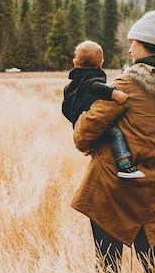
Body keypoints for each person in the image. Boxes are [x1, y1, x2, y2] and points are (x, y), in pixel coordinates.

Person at [70, 10, 155, 273]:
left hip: (114, 186)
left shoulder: (127, 84)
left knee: (107, 263)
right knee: (152, 257)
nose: (129, 48)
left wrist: (83, 132)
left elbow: (85, 131)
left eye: (133, 42)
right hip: (153, 184)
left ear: (145, 44)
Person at [61, 40, 144, 178]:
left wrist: (76, 122)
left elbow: (65, 109)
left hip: (79, 125)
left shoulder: (69, 87)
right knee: (115, 134)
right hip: (92, 123)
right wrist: (114, 94)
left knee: (98, 143)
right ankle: (125, 165)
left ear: (75, 63)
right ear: (101, 63)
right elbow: (95, 87)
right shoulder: (92, 80)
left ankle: (89, 146)